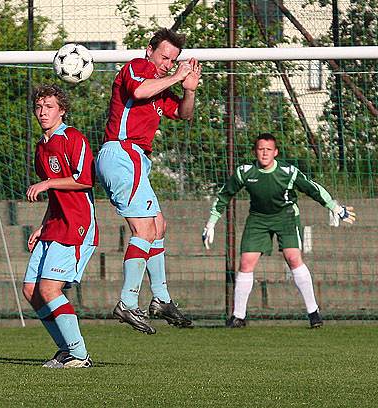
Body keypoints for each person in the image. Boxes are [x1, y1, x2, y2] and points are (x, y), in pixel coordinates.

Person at [96, 27, 201, 334]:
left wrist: (190, 89)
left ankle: (162, 300)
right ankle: (128, 302)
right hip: (121, 153)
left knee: (158, 226)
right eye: (165, 57)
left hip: (135, 159)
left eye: (173, 60)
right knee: (143, 229)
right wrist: (177, 76)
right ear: (149, 50)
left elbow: (184, 114)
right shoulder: (136, 67)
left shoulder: (162, 86)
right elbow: (139, 91)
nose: (168, 64)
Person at [202, 133, 355, 329]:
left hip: (286, 217)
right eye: (260, 149)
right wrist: (211, 223)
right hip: (258, 218)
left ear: (275, 152)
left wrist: (334, 207)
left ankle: (313, 313)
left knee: (293, 258)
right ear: (255, 151)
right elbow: (224, 195)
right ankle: (238, 317)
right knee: (246, 262)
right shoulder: (245, 172)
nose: (264, 153)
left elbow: (312, 188)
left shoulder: (288, 171)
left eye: (268, 150)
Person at [22, 84, 97, 368]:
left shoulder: (73, 138)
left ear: (62, 110)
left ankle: (79, 355)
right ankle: (66, 350)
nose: (43, 113)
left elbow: (84, 180)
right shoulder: (41, 147)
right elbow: (55, 196)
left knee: (50, 289)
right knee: (31, 290)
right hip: (54, 224)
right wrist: (43, 226)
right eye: (39, 107)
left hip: (77, 224)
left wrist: (48, 182)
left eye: (49, 107)